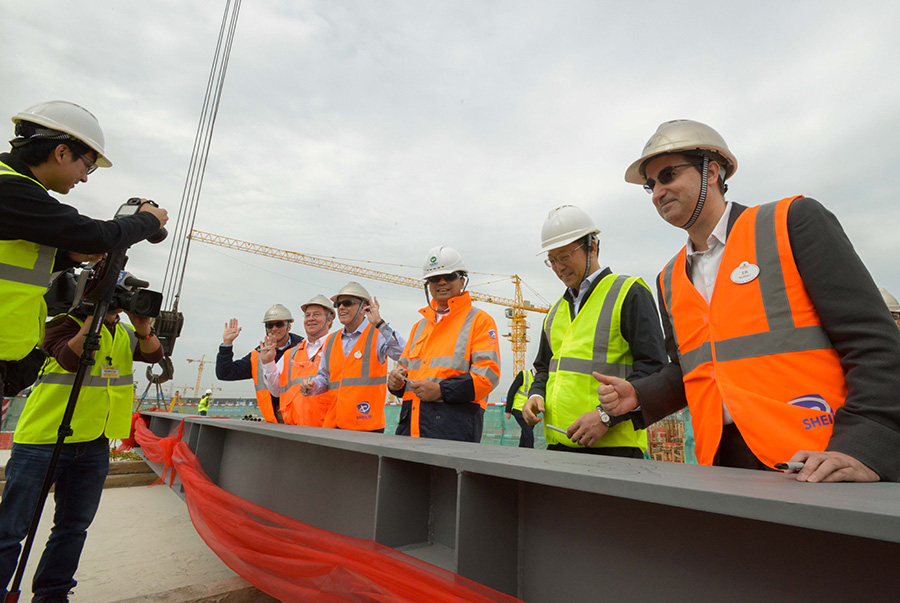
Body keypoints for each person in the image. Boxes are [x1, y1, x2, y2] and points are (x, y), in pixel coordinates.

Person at [596, 119, 900, 482]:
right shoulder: (669, 278)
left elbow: (874, 343)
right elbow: (695, 369)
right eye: (650, 186)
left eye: (668, 175)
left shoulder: (791, 223)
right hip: (722, 464)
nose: (658, 191)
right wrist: (640, 393)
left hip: (819, 460)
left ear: (712, 170)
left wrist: (862, 445)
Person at [0, 100, 168, 399]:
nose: (85, 176)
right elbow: (95, 236)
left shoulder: (16, 193)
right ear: (61, 152)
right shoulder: (9, 188)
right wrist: (148, 221)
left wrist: (66, 257)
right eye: (87, 165)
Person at [0, 302, 163, 601]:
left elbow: (156, 355)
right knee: (10, 528)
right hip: (44, 439)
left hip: (93, 442)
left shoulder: (126, 333)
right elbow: (68, 358)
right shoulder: (61, 322)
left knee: (73, 528)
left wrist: (143, 327)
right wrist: (94, 317)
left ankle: (53, 594)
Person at [523, 206, 667, 457]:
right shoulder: (555, 311)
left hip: (614, 449)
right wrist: (536, 394)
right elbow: (544, 367)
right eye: (552, 260)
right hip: (558, 445)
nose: (558, 267)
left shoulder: (629, 293)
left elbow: (654, 369)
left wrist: (605, 416)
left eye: (565, 256)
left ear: (592, 247)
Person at [388, 247, 501, 442]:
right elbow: (404, 368)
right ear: (428, 284)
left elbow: (488, 376)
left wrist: (441, 391)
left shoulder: (479, 321)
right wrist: (395, 383)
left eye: (449, 276)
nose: (441, 282)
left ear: (462, 280)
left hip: (453, 429)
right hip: (410, 428)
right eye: (434, 278)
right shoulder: (419, 326)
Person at [300, 282, 404, 432]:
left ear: (364, 307)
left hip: (367, 426)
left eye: (347, 303)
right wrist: (313, 385)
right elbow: (324, 378)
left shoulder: (378, 334)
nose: (341, 307)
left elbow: (403, 353)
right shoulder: (331, 340)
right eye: (338, 304)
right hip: (335, 425)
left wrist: (380, 324)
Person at [216, 304, 303, 423]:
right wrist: (227, 344)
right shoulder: (257, 356)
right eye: (269, 325)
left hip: (302, 423)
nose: (274, 328)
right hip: (273, 423)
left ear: (289, 327)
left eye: (279, 324)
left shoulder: (305, 348)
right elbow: (225, 373)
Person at [262, 295, 336, 426]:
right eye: (307, 315)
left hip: (328, 431)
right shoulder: (290, 354)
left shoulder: (338, 348)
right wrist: (268, 363)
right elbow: (276, 391)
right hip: (294, 430)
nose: (311, 319)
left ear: (329, 320)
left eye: (317, 314)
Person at [504, 369, 535, 448]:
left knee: (525, 434)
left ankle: (521, 452)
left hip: (531, 412)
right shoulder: (524, 374)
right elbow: (512, 391)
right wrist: (508, 410)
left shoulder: (540, 378)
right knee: (529, 435)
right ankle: (529, 455)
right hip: (519, 409)